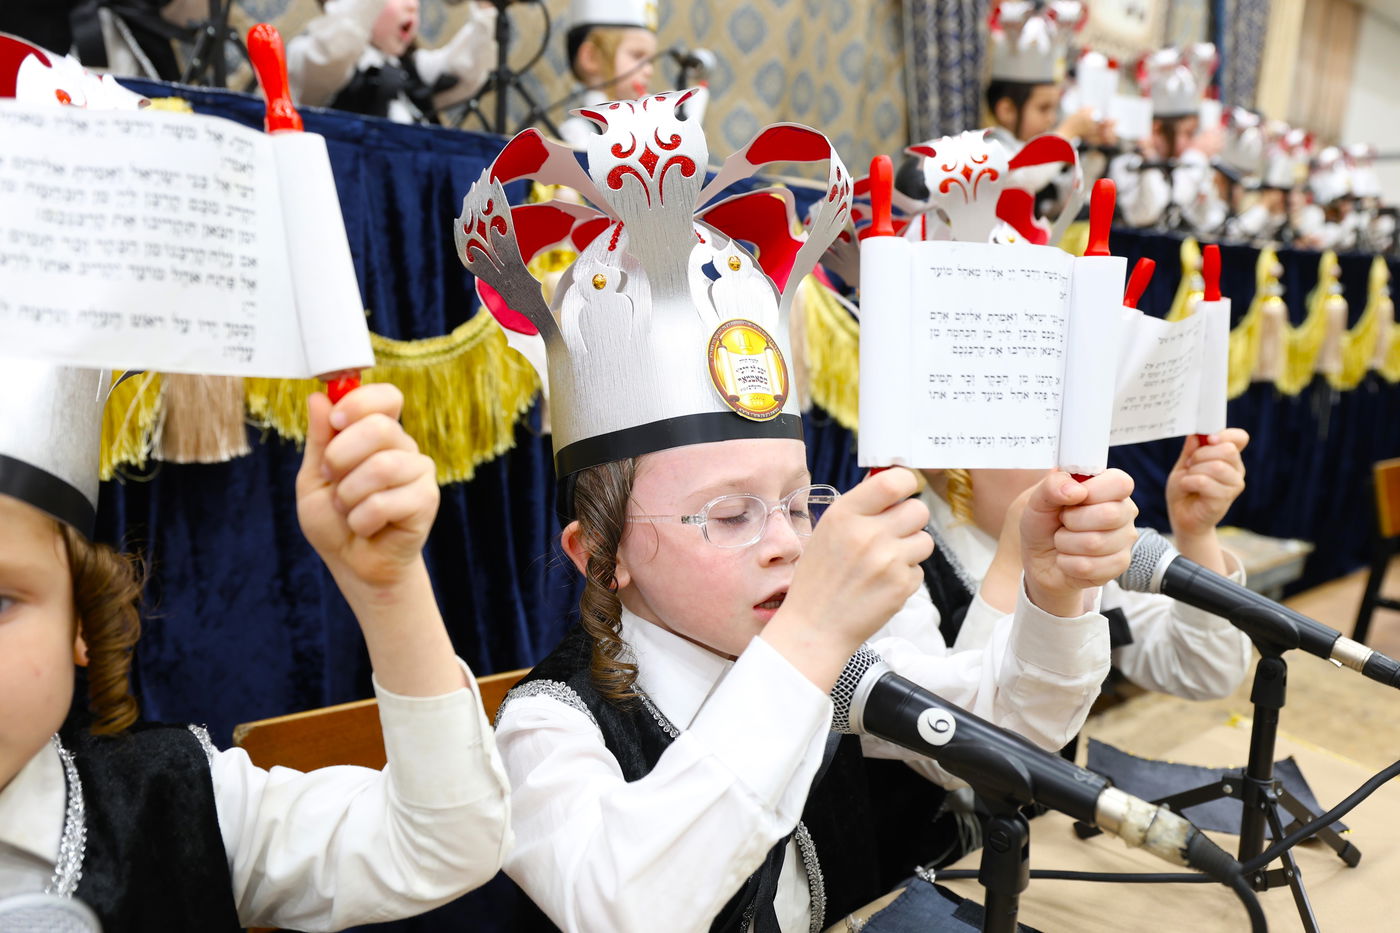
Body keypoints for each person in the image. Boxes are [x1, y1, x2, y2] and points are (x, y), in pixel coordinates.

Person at [461, 90, 1140, 931]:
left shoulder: (827, 668)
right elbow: (626, 904)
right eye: (729, 513)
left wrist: (1053, 585)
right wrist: (810, 639)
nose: (786, 542)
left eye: (795, 501)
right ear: (601, 550)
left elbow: (1010, 728)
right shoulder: (548, 728)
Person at [0, 365, 513, 929]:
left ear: (79, 617)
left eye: (1, 602)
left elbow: (442, 844)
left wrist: (388, 590)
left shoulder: (179, 806)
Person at [921, 430, 1254, 708]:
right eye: (1035, 437)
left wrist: (1195, 535)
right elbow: (950, 757)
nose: (1067, 465)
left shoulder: (1076, 547)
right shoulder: (897, 565)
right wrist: (1013, 562)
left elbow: (1205, 672)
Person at [286, 0, 497, 123]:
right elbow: (335, 49)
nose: (413, 6)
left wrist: (487, 10)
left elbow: (466, 68)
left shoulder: (412, 68)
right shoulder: (311, 56)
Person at [1110, 44, 1218, 230]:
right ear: (1157, 129)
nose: (1192, 143)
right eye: (1187, 134)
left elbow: (1208, 221)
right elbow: (1152, 212)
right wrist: (1197, 157)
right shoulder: (1127, 164)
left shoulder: (1181, 165)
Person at [557, 0, 658, 148]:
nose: (649, 71)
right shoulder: (578, 133)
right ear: (591, 57)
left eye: (650, 61)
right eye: (637, 56)